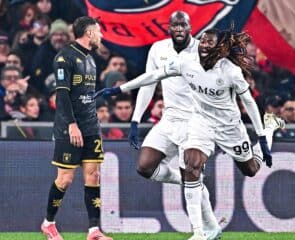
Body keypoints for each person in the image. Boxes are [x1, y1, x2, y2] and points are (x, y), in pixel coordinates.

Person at [95, 26, 285, 240]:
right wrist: (120, 89)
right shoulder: (187, 61)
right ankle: (199, 232)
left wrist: (261, 135)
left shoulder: (230, 71)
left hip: (229, 127)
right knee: (191, 165)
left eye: (209, 42)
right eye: (202, 40)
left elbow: (249, 102)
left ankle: (270, 126)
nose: (203, 44)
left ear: (220, 48)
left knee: (251, 169)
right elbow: (154, 75)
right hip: (201, 122)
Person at [124, 11, 221, 240]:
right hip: (169, 120)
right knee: (145, 166)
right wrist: (136, 119)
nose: (179, 29)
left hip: (195, 121)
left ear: (190, 27)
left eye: (183, 25)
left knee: (191, 173)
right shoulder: (158, 49)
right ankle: (189, 183)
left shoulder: (204, 50)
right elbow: (148, 84)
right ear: (169, 27)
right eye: (175, 25)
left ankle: (199, 233)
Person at [40, 16, 112, 240]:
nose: (101, 36)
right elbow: (61, 96)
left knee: (94, 175)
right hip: (69, 127)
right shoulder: (64, 57)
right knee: (65, 179)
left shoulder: (91, 59)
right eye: (99, 31)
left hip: (91, 126)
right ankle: (48, 223)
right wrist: (72, 125)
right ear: (89, 33)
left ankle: (94, 231)